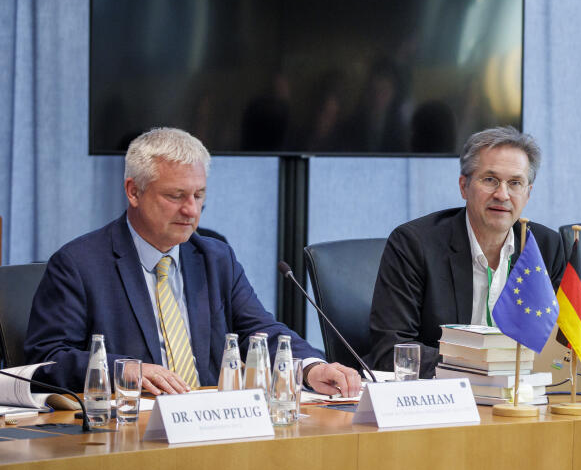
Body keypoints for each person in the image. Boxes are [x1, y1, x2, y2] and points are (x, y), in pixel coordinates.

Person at [22, 128, 361, 396]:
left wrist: (311, 368)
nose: (191, 210)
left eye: (199, 195)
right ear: (133, 192)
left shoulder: (215, 258)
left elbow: (259, 331)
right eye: (175, 196)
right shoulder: (79, 264)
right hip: (130, 429)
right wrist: (124, 369)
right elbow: (46, 359)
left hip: (209, 422)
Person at [368, 126, 566, 378]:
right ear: (464, 186)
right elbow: (392, 350)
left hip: (523, 399)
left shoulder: (546, 246)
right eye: (490, 180)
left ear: (528, 194)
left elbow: (567, 339)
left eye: (515, 183)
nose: (502, 194)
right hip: (443, 398)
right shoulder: (414, 243)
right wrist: (485, 369)